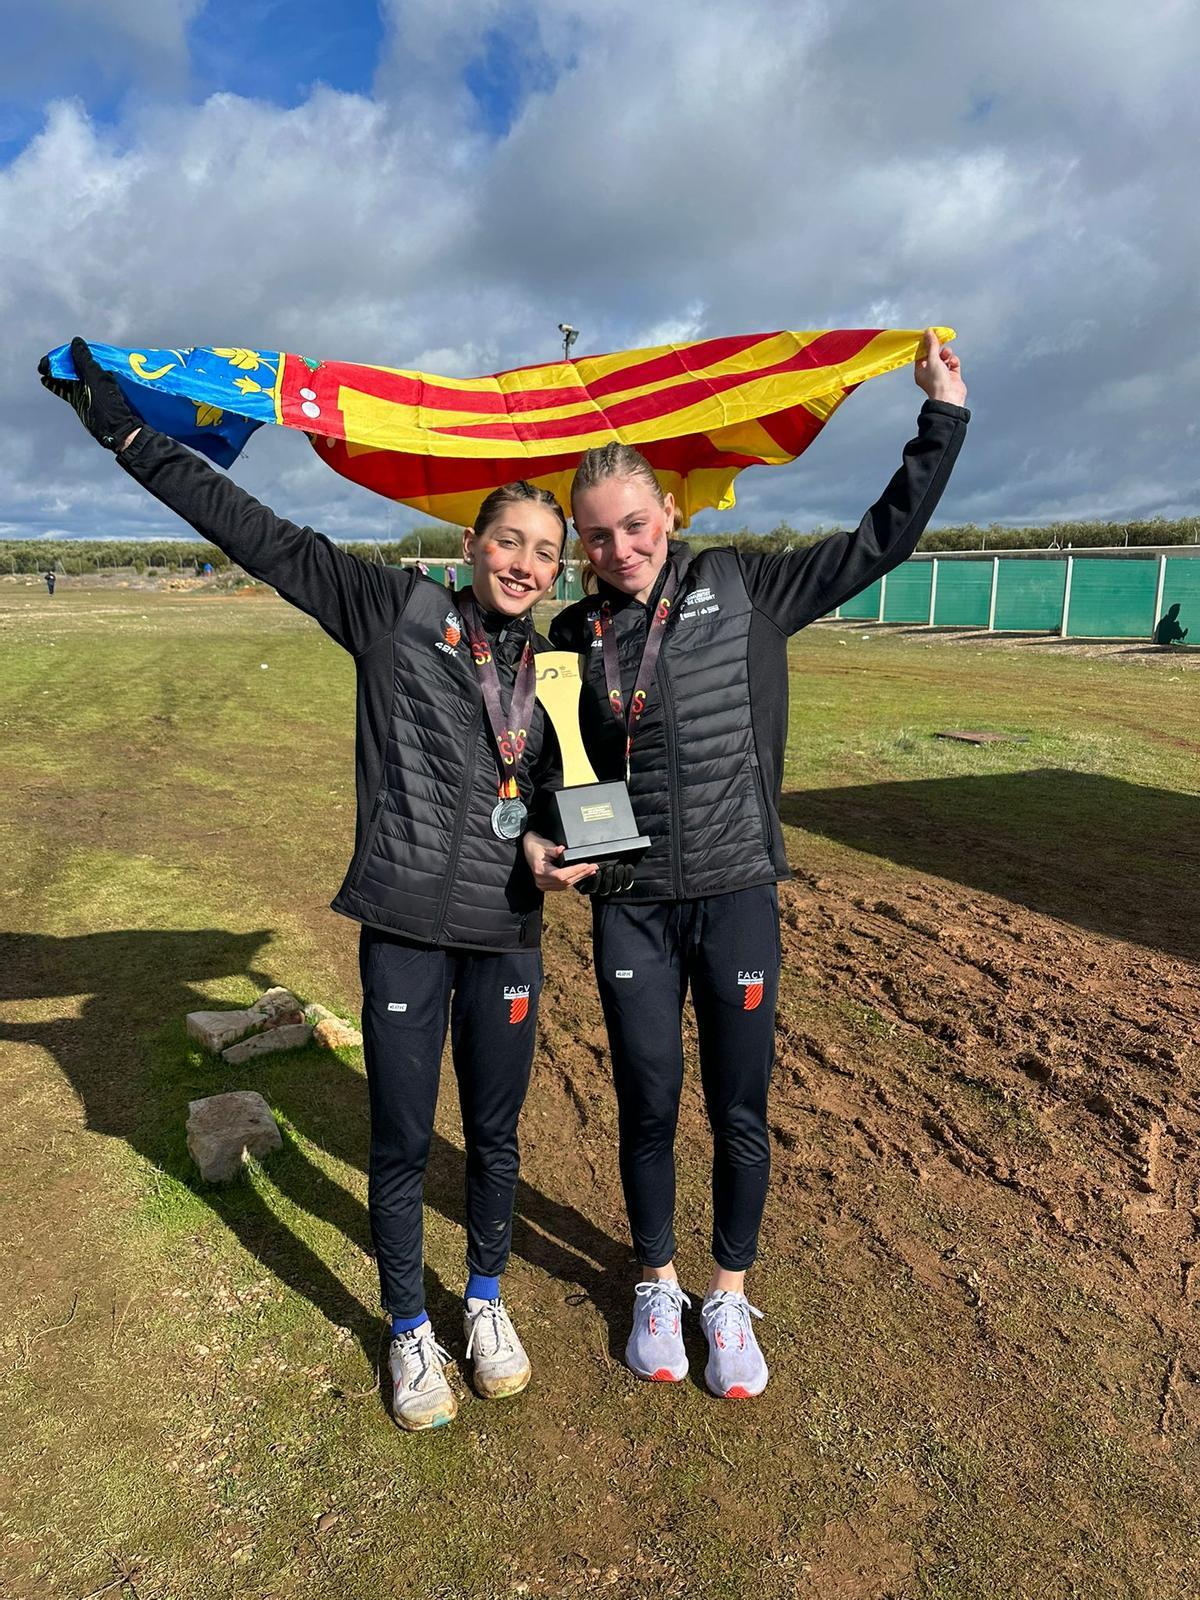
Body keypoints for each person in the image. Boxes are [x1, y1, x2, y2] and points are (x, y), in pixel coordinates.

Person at [41, 337, 597, 1432]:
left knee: (494, 1135)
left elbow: (552, 795)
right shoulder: (388, 611)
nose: (527, 562)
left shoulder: (558, 668)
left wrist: (546, 842)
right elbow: (247, 527)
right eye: (511, 540)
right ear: (473, 543)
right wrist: (120, 429)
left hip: (508, 935)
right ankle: (407, 1327)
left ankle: (483, 1300)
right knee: (397, 1138)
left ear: (558, 569)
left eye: (547, 550)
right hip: (400, 925)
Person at [526, 329, 970, 1400]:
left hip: (734, 896)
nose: (618, 548)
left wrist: (940, 417)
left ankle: (724, 1293)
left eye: (634, 526)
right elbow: (558, 762)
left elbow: (883, 538)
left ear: (669, 515)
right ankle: (656, 1280)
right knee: (646, 1098)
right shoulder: (569, 629)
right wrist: (546, 835)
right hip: (629, 904)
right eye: (596, 537)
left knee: (737, 1105)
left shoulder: (749, 587)